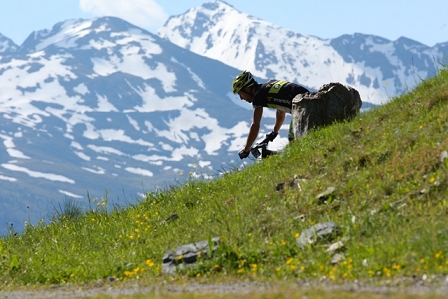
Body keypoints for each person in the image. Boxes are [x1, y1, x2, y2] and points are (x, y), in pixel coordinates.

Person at [232, 70, 309, 159]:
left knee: (295, 145)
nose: (241, 98)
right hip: (307, 104)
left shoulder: (258, 96)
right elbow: (280, 111)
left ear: (247, 89)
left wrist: (246, 150)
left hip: (303, 109)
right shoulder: (267, 86)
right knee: (296, 146)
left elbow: (255, 126)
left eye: (240, 94)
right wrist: (274, 132)